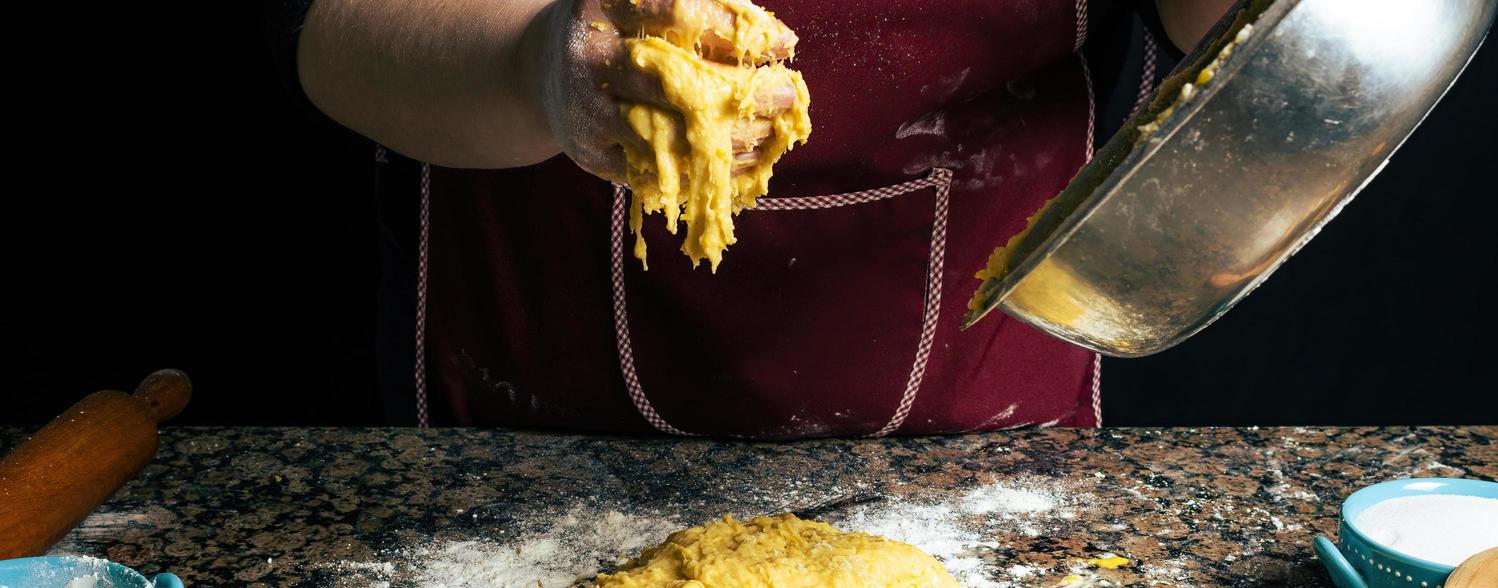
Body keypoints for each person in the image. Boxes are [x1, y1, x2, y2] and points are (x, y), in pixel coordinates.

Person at [262, 0, 1234, 435]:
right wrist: (535, 71)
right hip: (526, 446)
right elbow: (326, 28)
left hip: (983, 443)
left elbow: (1214, 21)